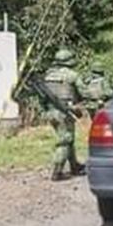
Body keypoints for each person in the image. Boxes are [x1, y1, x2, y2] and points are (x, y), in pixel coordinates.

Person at [43, 47, 87, 181]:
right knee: (65, 140)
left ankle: (75, 166)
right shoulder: (72, 75)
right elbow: (83, 92)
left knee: (69, 139)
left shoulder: (48, 75)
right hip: (64, 112)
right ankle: (57, 172)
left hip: (51, 112)